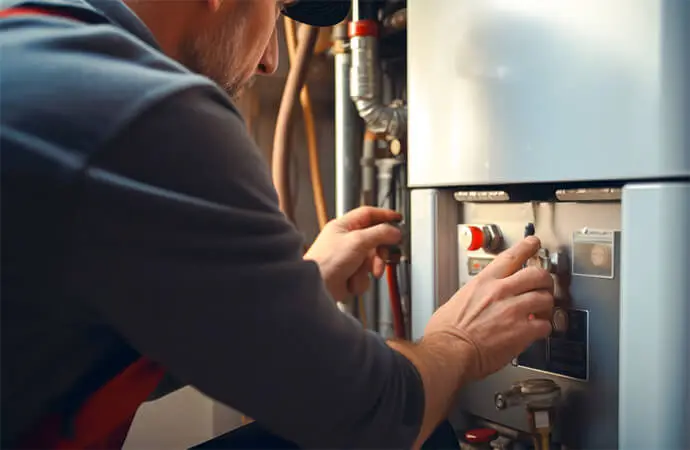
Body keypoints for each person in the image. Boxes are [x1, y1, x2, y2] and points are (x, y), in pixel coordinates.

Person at [0, 0, 555, 448]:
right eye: (276, 8)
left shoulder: (32, 47)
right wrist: (457, 345)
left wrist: (300, 284)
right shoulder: (141, 109)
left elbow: (84, 364)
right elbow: (378, 417)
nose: (270, 61)